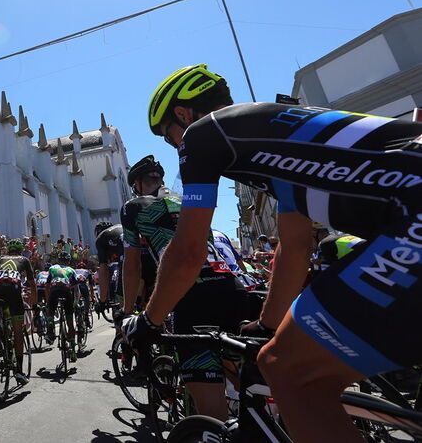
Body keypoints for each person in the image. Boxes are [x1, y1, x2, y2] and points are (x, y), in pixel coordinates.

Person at [126, 62, 422, 441]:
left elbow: (187, 252)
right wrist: (267, 325)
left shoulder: (205, 133)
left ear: (184, 114)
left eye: (170, 137)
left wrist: (148, 322)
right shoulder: (283, 145)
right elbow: (294, 247)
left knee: (288, 371)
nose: (175, 147)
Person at [121, 154, 245, 420]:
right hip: (229, 286)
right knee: (240, 378)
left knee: (212, 412)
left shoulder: (134, 207)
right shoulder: (185, 200)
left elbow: (132, 267)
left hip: (190, 294)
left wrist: (128, 311)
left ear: (136, 185)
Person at [0, 238, 36, 385]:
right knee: (18, 330)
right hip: (13, 291)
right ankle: (19, 371)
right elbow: (32, 283)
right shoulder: (24, 259)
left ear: (8, 251)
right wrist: (34, 304)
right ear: (20, 251)